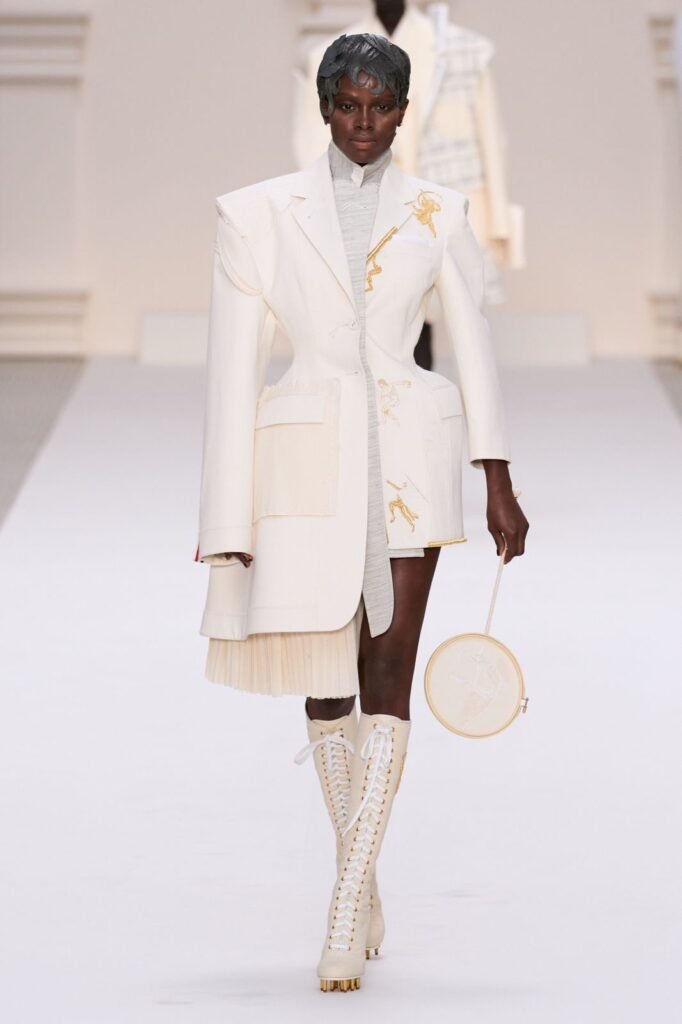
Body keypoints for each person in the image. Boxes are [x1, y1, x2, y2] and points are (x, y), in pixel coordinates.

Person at [196, 33, 529, 993]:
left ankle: (344, 906)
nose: (365, 124)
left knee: (388, 674)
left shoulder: (438, 211)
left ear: (404, 110)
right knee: (323, 684)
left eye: (382, 107)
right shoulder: (257, 214)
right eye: (349, 105)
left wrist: (496, 474)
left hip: (412, 458)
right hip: (304, 463)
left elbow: (472, 342)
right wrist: (226, 522)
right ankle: (362, 873)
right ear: (324, 106)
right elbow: (231, 376)